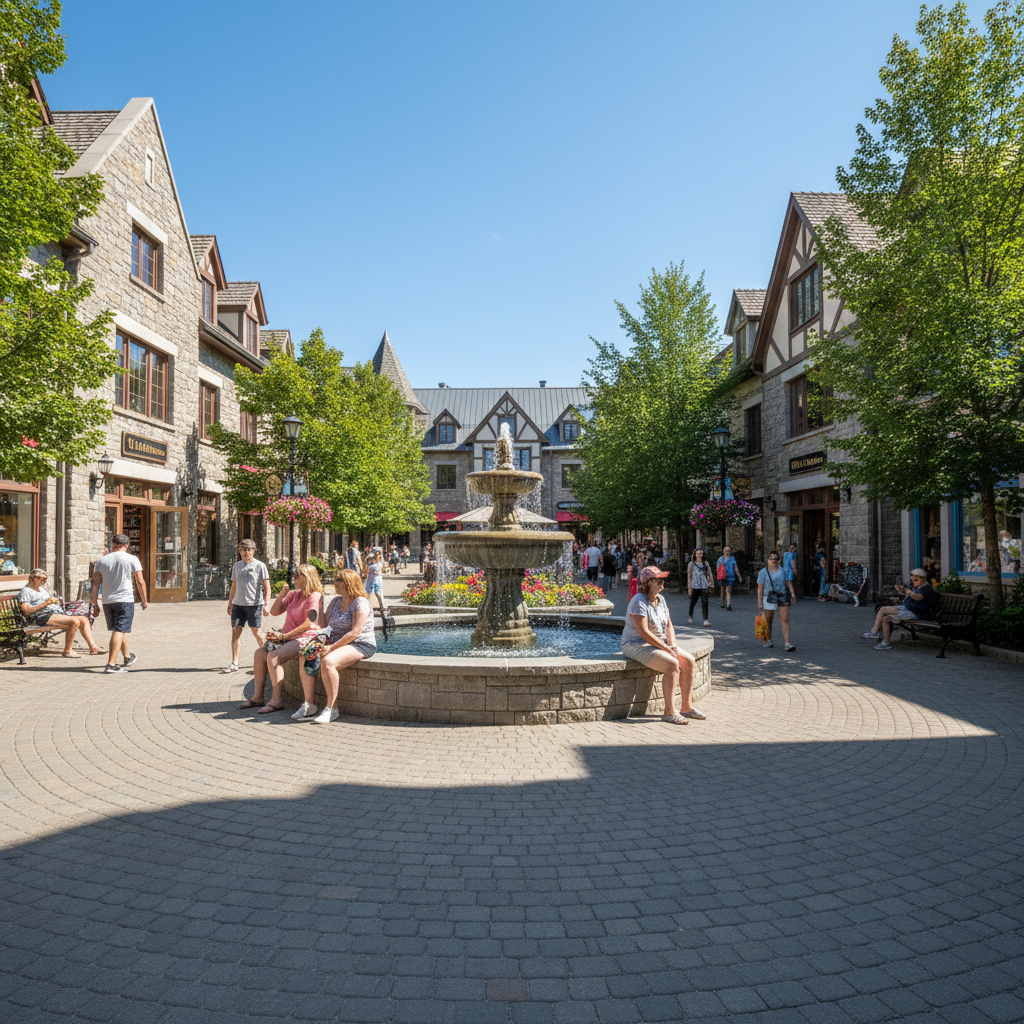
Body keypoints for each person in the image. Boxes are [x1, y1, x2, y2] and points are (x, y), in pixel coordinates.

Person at [621, 565, 705, 725]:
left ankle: (686, 707)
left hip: (658, 644)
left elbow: (668, 625)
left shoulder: (661, 599)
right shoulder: (638, 601)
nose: (662, 583)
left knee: (689, 661)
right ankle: (669, 712)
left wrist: (672, 645)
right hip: (636, 644)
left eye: (662, 579)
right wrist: (666, 649)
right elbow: (644, 632)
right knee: (672, 664)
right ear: (647, 583)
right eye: (657, 580)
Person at [240, 564, 325, 713]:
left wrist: (284, 636)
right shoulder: (294, 594)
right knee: (259, 654)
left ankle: (276, 701)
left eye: (297, 576)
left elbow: (309, 623)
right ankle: (258, 697)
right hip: (288, 637)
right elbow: (274, 612)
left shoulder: (315, 596)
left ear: (307, 578)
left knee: (273, 657)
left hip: (306, 637)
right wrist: (281, 594)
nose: (294, 578)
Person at [297, 569, 376, 724]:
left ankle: (331, 709)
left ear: (348, 583)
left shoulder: (360, 602)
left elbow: (355, 633)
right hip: (336, 641)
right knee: (305, 655)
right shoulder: (336, 602)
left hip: (360, 643)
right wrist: (319, 605)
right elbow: (324, 626)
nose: (335, 581)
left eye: (339, 579)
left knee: (328, 662)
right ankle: (309, 705)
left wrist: (330, 648)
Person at [90, 535, 148, 673]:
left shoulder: (102, 561)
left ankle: (127, 657)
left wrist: (94, 604)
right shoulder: (132, 559)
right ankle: (111, 664)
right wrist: (144, 600)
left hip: (107, 601)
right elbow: (140, 581)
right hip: (124, 600)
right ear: (127, 545)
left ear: (113, 544)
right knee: (119, 630)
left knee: (120, 629)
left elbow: (95, 584)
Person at [19, 569, 103, 658]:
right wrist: (46, 603)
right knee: (74, 622)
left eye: (44, 579)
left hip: (53, 614)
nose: (42, 581)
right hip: (40, 616)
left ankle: (93, 647)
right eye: (40, 578)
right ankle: (68, 650)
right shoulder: (26, 591)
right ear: (33, 578)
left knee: (84, 619)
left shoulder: (41, 590)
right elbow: (27, 610)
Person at [223, 540, 270, 674]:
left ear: (253, 551)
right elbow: (234, 585)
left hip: (254, 605)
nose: (246, 552)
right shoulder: (236, 566)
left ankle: (268, 659)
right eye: (243, 549)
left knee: (257, 632)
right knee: (235, 631)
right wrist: (230, 602)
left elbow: (267, 586)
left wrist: (266, 604)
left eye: (249, 550)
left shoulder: (260, 566)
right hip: (238, 605)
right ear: (239, 551)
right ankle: (234, 663)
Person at [863, 568, 935, 650]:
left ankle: (875, 633)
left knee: (883, 609)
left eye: (916, 578)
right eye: (912, 577)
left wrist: (908, 592)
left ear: (923, 578)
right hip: (909, 609)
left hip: (915, 612)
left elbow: (918, 598)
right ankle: (885, 642)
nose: (913, 579)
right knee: (886, 618)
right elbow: (912, 599)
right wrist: (903, 595)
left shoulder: (926, 589)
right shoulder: (920, 587)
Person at [757, 550, 796, 651]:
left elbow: (788, 582)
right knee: (769, 620)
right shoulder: (763, 572)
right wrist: (760, 603)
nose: (773, 560)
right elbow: (760, 588)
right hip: (769, 597)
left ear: (778, 560)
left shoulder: (783, 571)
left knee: (785, 620)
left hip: (782, 596)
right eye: (771, 558)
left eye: (775, 559)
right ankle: (769, 640)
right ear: (768, 560)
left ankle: (787, 643)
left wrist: (792, 593)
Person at [687, 548, 714, 627]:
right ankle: (690, 615)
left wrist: (711, 584)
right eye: (698, 553)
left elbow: (710, 574)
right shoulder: (691, 564)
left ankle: (705, 620)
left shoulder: (706, 563)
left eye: (701, 553)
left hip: (704, 585)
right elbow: (689, 576)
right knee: (693, 602)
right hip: (695, 585)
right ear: (695, 554)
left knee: (705, 602)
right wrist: (689, 588)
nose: (699, 555)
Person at [716, 545, 743, 611]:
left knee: (728, 590)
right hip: (722, 577)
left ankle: (728, 604)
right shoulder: (721, 559)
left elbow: (735, 568)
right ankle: (722, 603)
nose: (727, 552)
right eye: (726, 550)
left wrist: (739, 576)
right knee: (722, 591)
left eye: (728, 551)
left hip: (730, 576)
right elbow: (718, 568)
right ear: (723, 551)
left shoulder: (732, 558)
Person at [364, 549, 387, 619]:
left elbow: (377, 568)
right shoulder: (371, 560)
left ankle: (383, 607)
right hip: (370, 578)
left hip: (377, 579)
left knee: (378, 592)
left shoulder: (379, 562)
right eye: (376, 554)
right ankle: (365, 608)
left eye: (378, 554)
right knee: (367, 593)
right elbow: (367, 564)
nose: (377, 556)